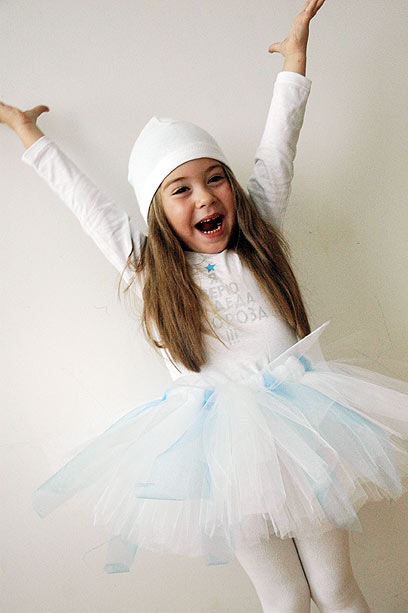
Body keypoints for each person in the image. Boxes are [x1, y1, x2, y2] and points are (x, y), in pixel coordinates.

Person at [1, 1, 407, 611]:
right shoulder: (150, 271)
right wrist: (26, 131)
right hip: (220, 457)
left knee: (336, 589)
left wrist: (295, 63)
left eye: (215, 178)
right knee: (287, 600)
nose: (205, 198)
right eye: (181, 189)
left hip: (308, 431)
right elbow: (87, 205)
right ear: (157, 209)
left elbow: (279, 147)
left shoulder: (259, 238)